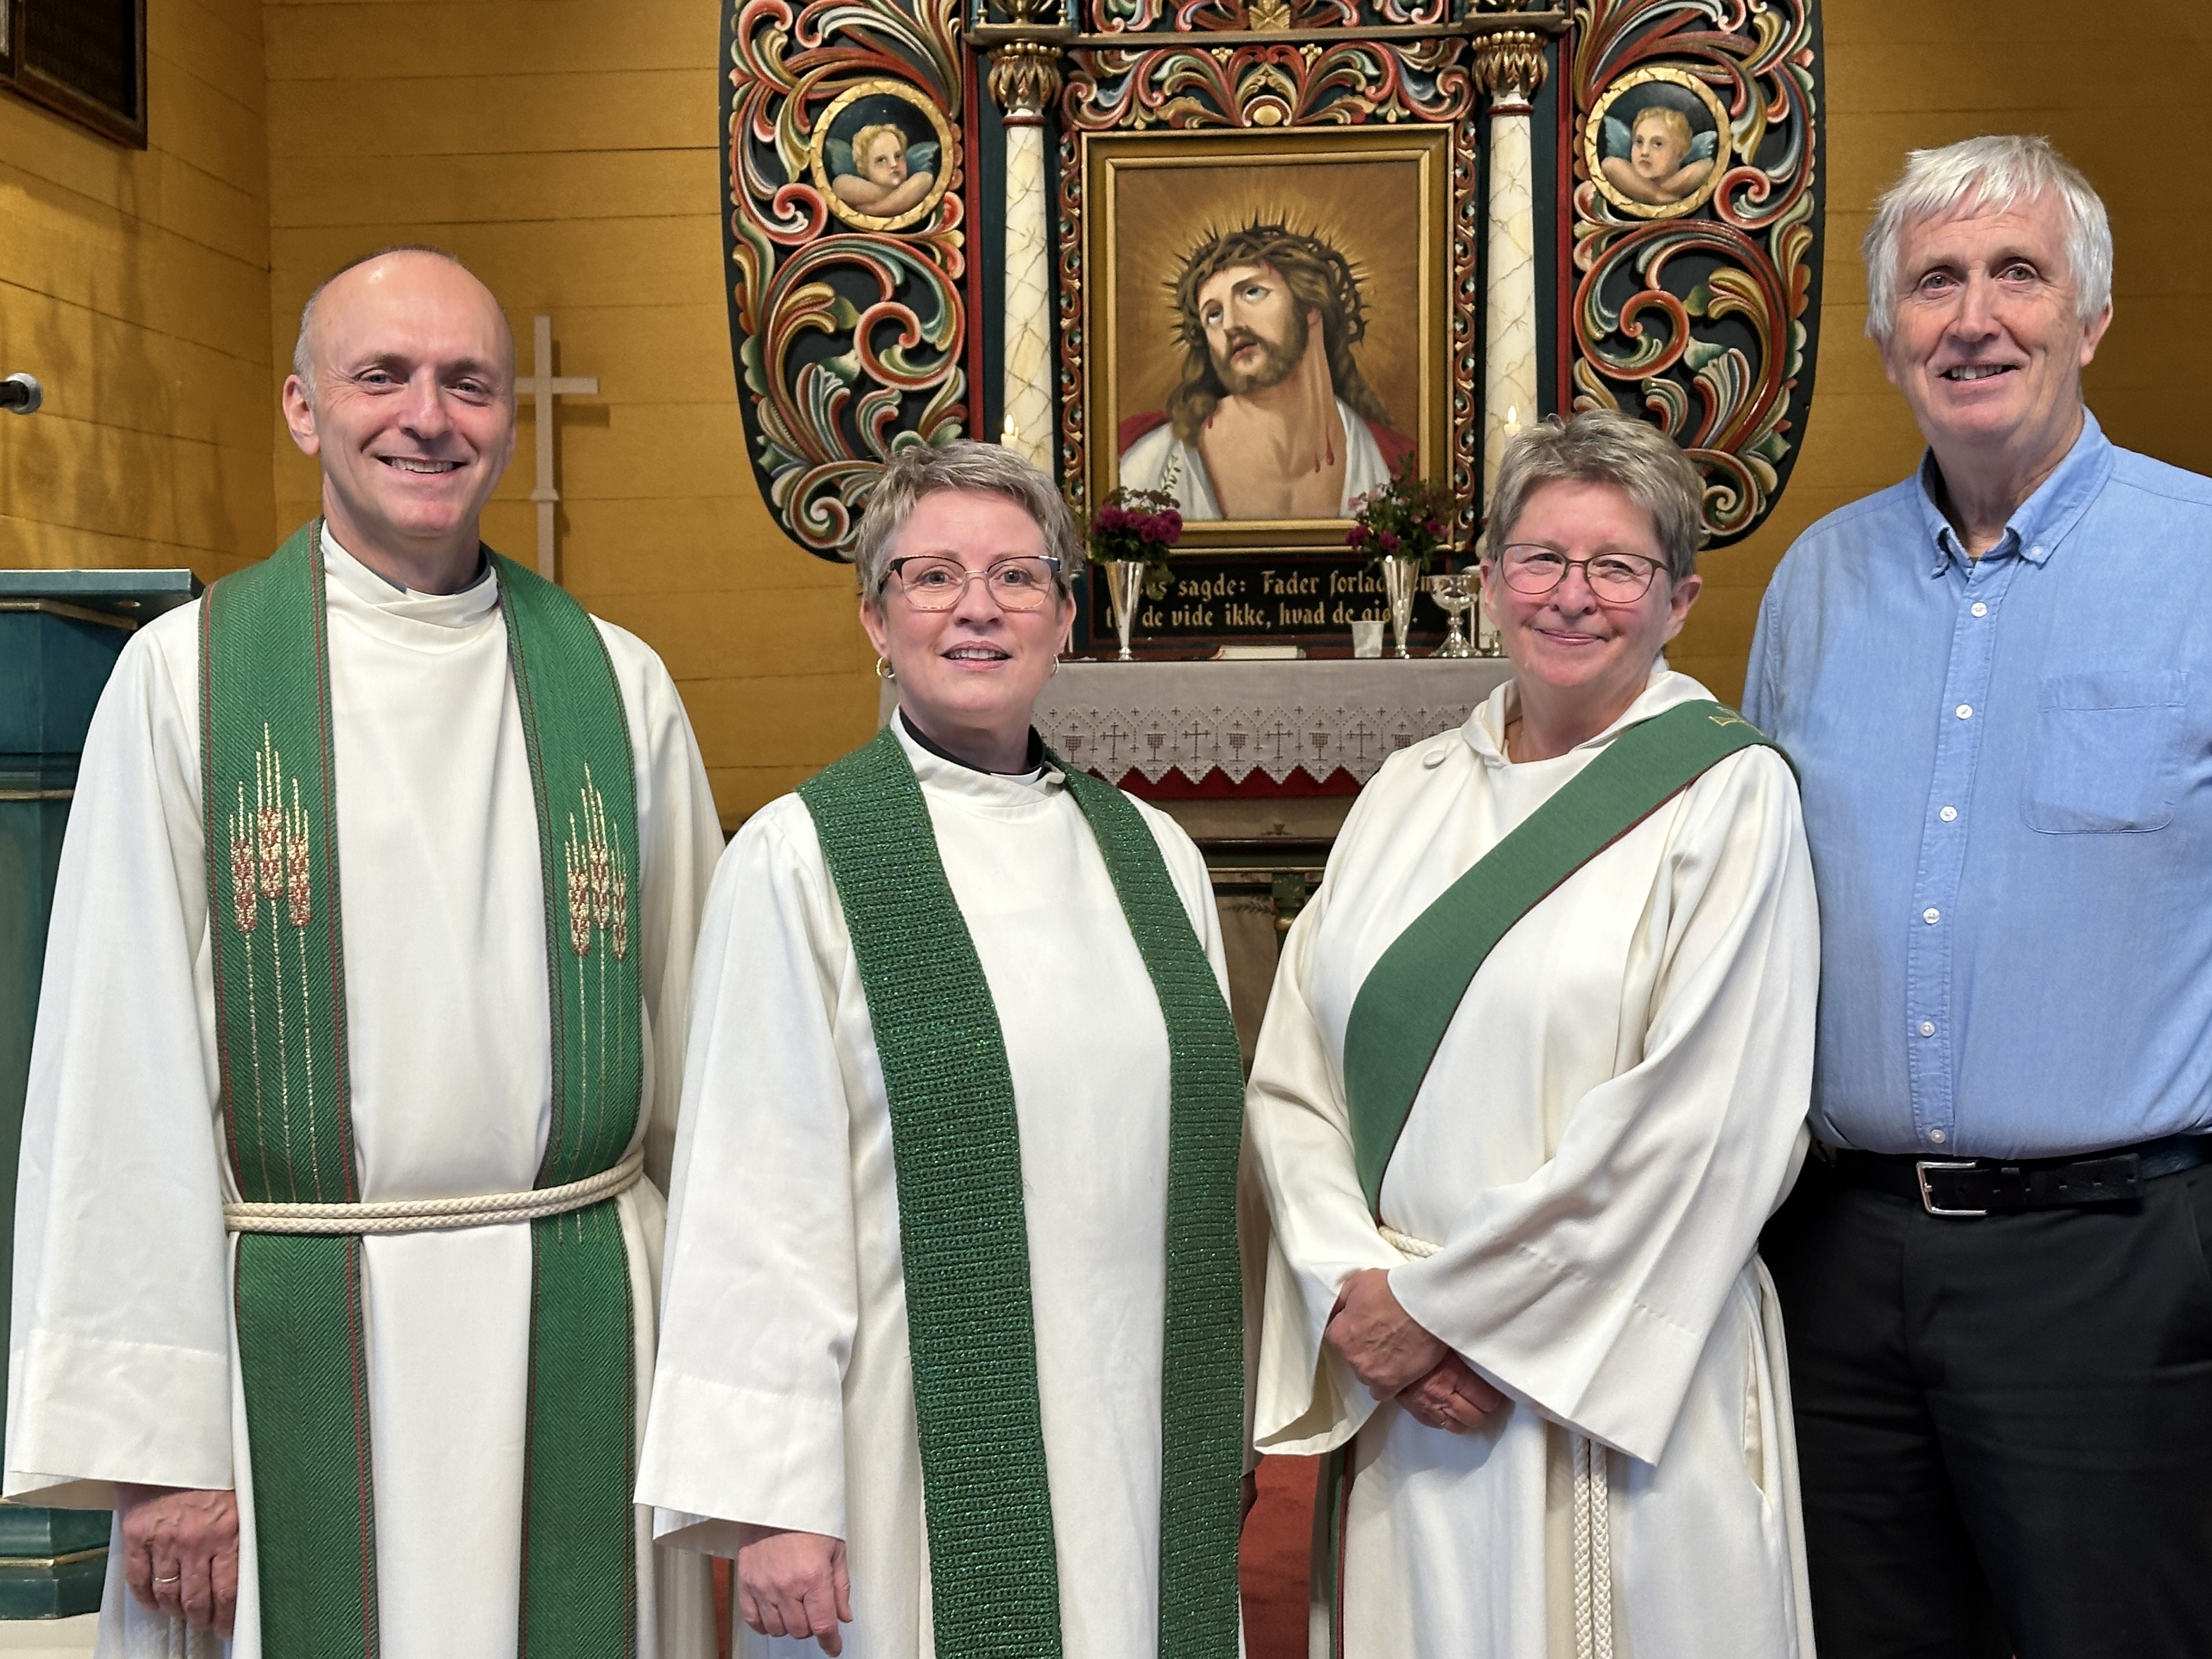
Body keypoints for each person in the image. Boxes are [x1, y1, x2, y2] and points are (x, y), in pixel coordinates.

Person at [4, 246, 724, 1657]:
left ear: (509, 416)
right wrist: (161, 1446)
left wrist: (726, 1404)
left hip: (577, 1324)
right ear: (300, 409)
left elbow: (707, 1070)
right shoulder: (190, 681)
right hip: (285, 1354)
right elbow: (115, 1079)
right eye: (380, 375)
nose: (428, 416)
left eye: (467, 382)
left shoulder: (617, 686)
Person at [637, 440, 1250, 1658]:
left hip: (1135, 1430)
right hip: (898, 1451)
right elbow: (755, 1193)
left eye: (1019, 576)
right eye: (932, 576)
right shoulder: (806, 856)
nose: (978, 606)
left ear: (1067, 614)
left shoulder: (1154, 856)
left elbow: (1199, 1185)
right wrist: (771, 1499)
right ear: (875, 616)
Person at [1249, 408, 1820, 1658]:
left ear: (1679, 598)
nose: (1573, 596)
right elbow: (1295, 1082)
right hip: (1417, 1389)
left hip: (1613, 1384)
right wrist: (1358, 1299)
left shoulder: (1728, 798)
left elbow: (1706, 1122)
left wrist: (1454, 1314)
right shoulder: (1405, 792)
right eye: (1541, 559)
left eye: (1616, 565)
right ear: (1489, 579)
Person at [1747, 134, 2212, 1659]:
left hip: (2112, 1266)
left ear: (2086, 314)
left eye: (2013, 272)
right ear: (1882, 337)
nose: (1970, 316)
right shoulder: (1811, 581)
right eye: (1930, 282)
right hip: (1835, 1262)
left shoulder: (2194, 557)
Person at [1118, 222, 1414, 521]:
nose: (1230, 324)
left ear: (1310, 305)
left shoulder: (1396, 471)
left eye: (1252, 292)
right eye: (1214, 314)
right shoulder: (1150, 470)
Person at [1601, 104, 1712, 206]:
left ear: (1681, 153)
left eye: (1658, 144)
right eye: (1639, 142)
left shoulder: (1699, 168)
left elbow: (1706, 167)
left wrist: (1661, 193)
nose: (1644, 152)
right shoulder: (1617, 167)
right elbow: (1610, 165)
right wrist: (1657, 196)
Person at [831, 124, 936, 218]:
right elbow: (839, 185)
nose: (894, 164)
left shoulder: (922, 178)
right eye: (881, 160)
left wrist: (874, 210)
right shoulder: (848, 183)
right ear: (864, 167)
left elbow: (926, 180)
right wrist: (906, 194)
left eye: (898, 156)